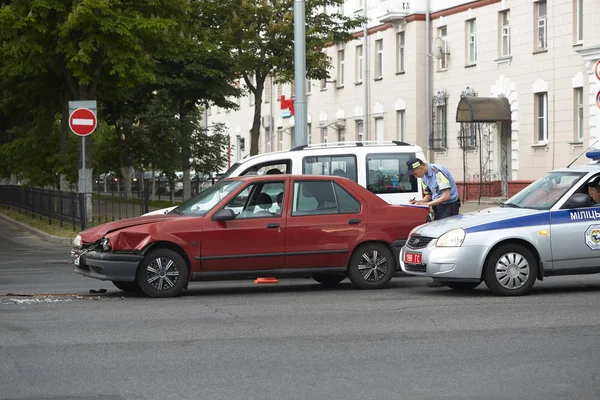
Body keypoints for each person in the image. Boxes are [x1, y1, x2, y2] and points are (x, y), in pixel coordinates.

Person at [406, 157, 460, 288]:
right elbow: (429, 196)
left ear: (420, 167)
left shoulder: (438, 172)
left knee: (446, 240)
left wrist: (428, 203)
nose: (414, 176)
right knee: (438, 241)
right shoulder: (424, 177)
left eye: (414, 173)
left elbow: (446, 196)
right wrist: (419, 202)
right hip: (439, 207)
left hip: (449, 206)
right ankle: (440, 276)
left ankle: (449, 276)